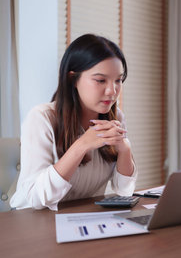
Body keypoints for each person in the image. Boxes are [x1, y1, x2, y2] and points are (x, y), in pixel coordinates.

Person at [10, 34, 137, 211]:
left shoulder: (116, 118)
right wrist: (82, 145)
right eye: (100, 80)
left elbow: (124, 190)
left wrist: (125, 148)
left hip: (79, 219)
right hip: (31, 222)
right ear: (73, 79)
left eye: (118, 80)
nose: (112, 91)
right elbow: (35, 198)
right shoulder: (42, 118)